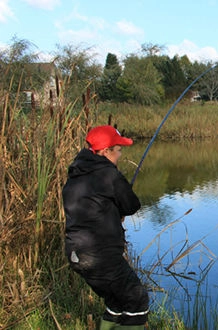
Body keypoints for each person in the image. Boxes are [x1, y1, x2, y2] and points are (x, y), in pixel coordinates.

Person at [62, 125, 148, 330]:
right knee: (137, 301)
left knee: (117, 303)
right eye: (118, 150)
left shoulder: (75, 174)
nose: (120, 155)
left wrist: (111, 213)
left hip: (76, 254)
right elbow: (132, 205)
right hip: (100, 255)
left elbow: (91, 210)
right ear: (106, 151)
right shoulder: (108, 174)